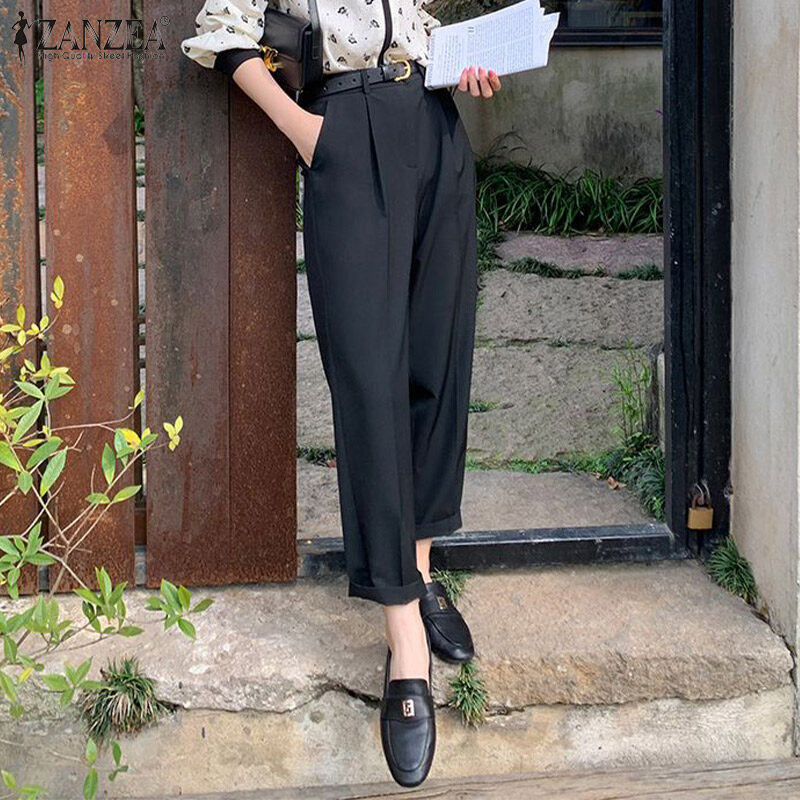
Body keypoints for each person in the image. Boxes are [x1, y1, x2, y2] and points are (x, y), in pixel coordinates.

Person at [181, 0, 501, 787]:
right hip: (346, 132)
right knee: (368, 381)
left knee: (437, 364)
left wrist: (463, 62)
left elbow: (413, 21)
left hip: (434, 124)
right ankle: (406, 643)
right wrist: (304, 130)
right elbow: (221, 33)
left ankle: (418, 573)